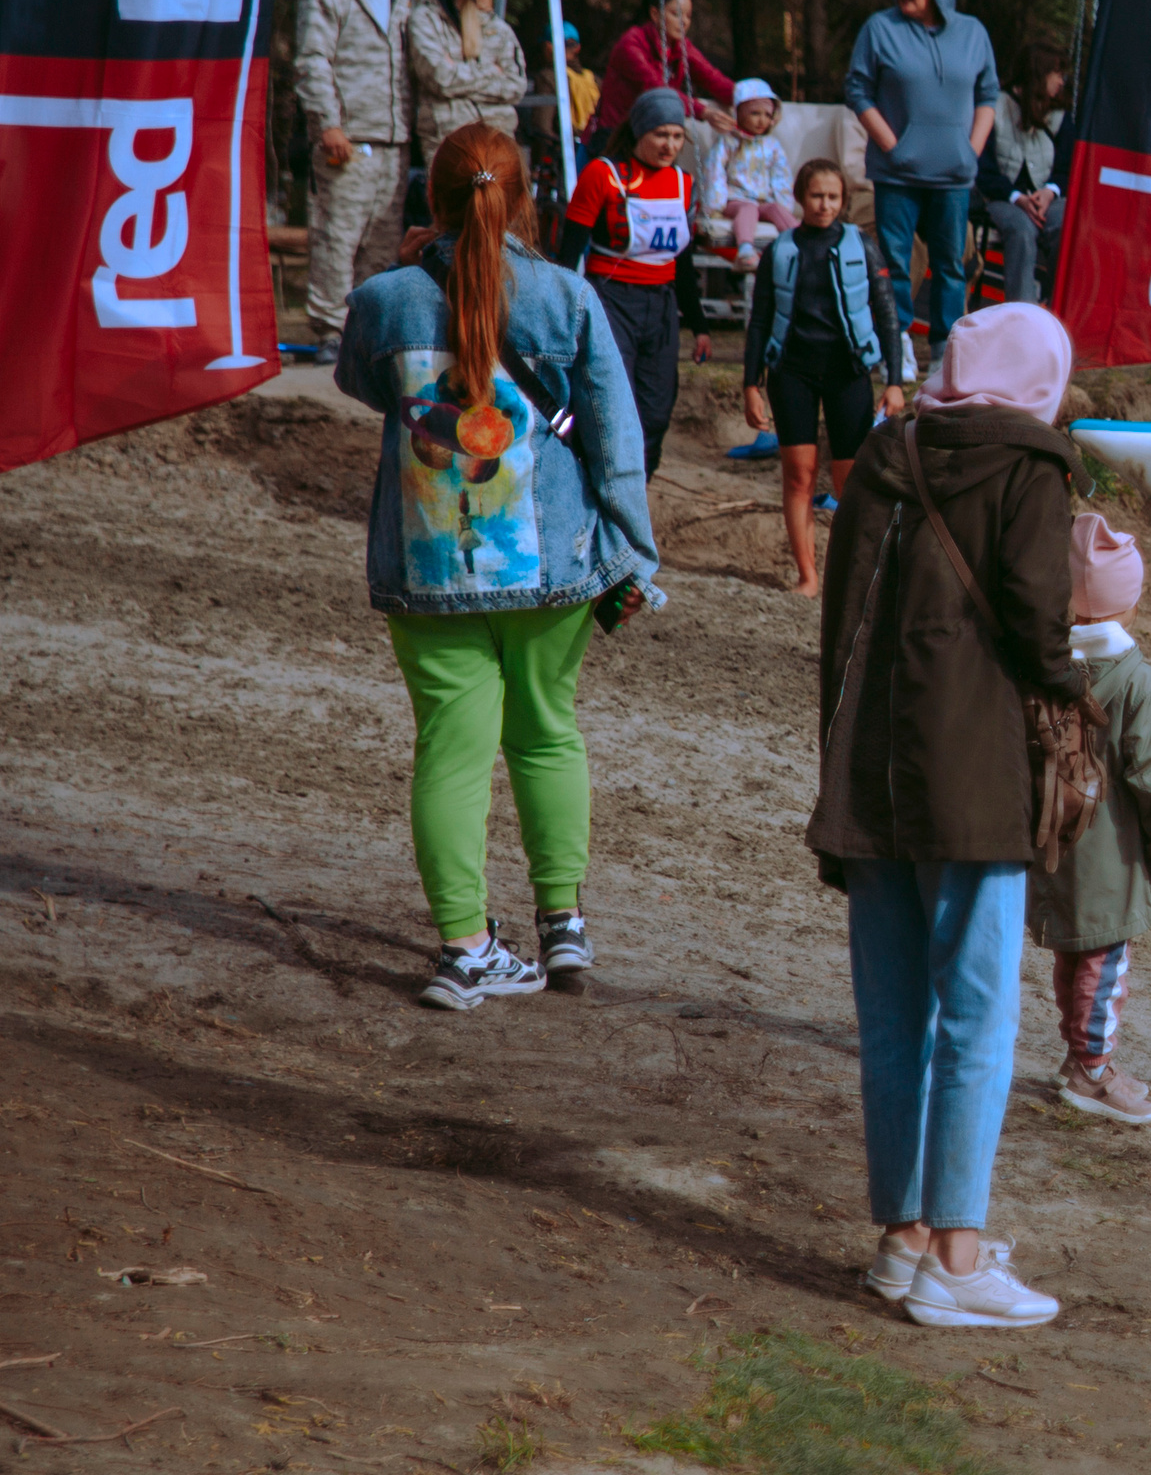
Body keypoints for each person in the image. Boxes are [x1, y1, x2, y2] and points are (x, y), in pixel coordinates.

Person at [333, 124, 661, 1009]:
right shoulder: (568, 298)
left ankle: (466, 947)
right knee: (548, 733)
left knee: (451, 750)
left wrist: (414, 270)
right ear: (524, 203)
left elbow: (365, 386)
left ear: (430, 203)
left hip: (428, 565)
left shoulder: (385, 299)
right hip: (549, 564)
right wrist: (634, 546)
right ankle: (564, 929)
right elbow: (615, 438)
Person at [808, 302, 1084, 1330]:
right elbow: (1038, 621)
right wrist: (1072, 697)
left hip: (868, 769)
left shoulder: (886, 453)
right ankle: (959, 1259)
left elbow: (842, 618)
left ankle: (904, 1240)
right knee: (977, 1018)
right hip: (970, 775)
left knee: (892, 1020)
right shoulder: (1030, 468)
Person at [1030, 514, 1151, 1127]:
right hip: (1112, 854)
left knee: (1075, 955)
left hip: (1053, 842)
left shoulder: (1042, 664)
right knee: (1106, 963)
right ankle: (1092, 1072)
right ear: (1127, 601)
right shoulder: (1135, 682)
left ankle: (1083, 1054)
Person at [742, 159, 910, 597]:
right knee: (799, 475)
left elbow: (887, 313)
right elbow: (759, 319)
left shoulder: (862, 246)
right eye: (817, 196)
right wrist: (750, 384)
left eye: (833, 197)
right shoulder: (780, 249)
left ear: (844, 200)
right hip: (791, 372)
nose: (825, 205)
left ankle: (849, 574)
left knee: (849, 484)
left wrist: (894, 380)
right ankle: (808, 575)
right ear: (800, 198)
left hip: (848, 372)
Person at [843, 0, 999, 363]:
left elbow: (988, 93)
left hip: (953, 173)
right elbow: (857, 90)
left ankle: (945, 351)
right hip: (897, 173)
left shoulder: (972, 33)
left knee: (951, 264)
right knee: (896, 262)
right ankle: (898, 348)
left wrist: (973, 150)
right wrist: (893, 146)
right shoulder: (880, 28)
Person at [557, 86, 710, 478]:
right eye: (660, 135)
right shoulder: (602, 175)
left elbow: (684, 259)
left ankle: (637, 488)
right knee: (611, 401)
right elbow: (568, 251)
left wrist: (700, 325)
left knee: (657, 410)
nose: (669, 145)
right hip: (611, 300)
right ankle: (601, 480)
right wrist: (559, 312)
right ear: (640, 131)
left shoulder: (682, 182)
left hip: (661, 304)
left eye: (677, 136)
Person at [293, 0, 418, 362]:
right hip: (345, 136)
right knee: (336, 234)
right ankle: (330, 328)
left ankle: (367, 327)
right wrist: (327, 123)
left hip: (394, 135)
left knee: (383, 238)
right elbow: (312, 60)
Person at [409, 0, 529, 167]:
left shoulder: (492, 25)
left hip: (498, 140)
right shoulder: (425, 20)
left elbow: (516, 85)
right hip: (449, 142)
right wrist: (491, 72)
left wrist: (458, 74)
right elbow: (441, 79)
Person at [585, 0, 738, 150]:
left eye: (688, 16)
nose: (684, 22)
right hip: (614, 136)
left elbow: (712, 77)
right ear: (655, 14)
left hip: (654, 136)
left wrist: (751, 100)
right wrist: (704, 111)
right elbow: (657, 89)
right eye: (676, 14)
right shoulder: (631, 44)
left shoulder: (681, 46)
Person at [974, 46, 1069, 303]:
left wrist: (1050, 192)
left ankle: (1055, 307)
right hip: (1002, 198)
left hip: (1047, 197)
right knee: (1021, 229)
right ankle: (1022, 312)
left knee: (1067, 223)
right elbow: (983, 169)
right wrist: (1016, 197)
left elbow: (1066, 167)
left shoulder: (1060, 115)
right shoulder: (994, 106)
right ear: (1040, 74)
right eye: (1057, 74)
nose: (1062, 81)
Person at [714, 78, 795, 269]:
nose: (762, 120)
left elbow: (781, 175)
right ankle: (745, 250)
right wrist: (714, 204)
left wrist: (783, 202)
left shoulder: (772, 146)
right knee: (748, 209)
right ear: (739, 113)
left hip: (762, 201)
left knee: (776, 209)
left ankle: (803, 244)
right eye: (754, 113)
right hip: (735, 200)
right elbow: (715, 171)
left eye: (767, 115)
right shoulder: (729, 142)